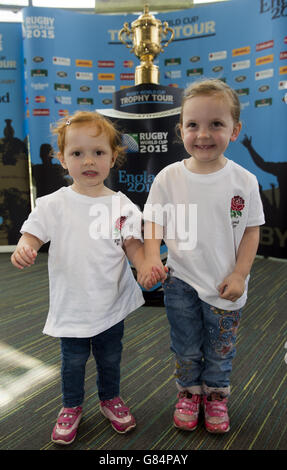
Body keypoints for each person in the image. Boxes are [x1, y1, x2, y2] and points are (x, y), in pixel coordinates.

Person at [11, 111, 148, 445]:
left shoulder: (122, 205)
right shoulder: (52, 204)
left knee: (110, 357)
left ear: (113, 158)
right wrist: (24, 248)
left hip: (111, 302)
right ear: (62, 160)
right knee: (72, 362)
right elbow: (32, 235)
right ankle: (71, 406)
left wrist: (144, 266)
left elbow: (132, 244)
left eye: (98, 153)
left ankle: (109, 398)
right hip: (72, 305)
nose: (89, 160)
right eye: (77, 153)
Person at [139, 79, 265, 433]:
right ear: (181, 130)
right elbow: (153, 223)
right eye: (193, 125)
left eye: (216, 124)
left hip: (226, 285)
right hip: (179, 282)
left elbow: (252, 231)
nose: (203, 134)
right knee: (186, 346)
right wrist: (151, 256)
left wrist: (240, 273)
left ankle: (216, 396)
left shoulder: (245, 181)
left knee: (221, 348)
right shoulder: (168, 178)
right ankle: (189, 393)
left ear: (235, 130)